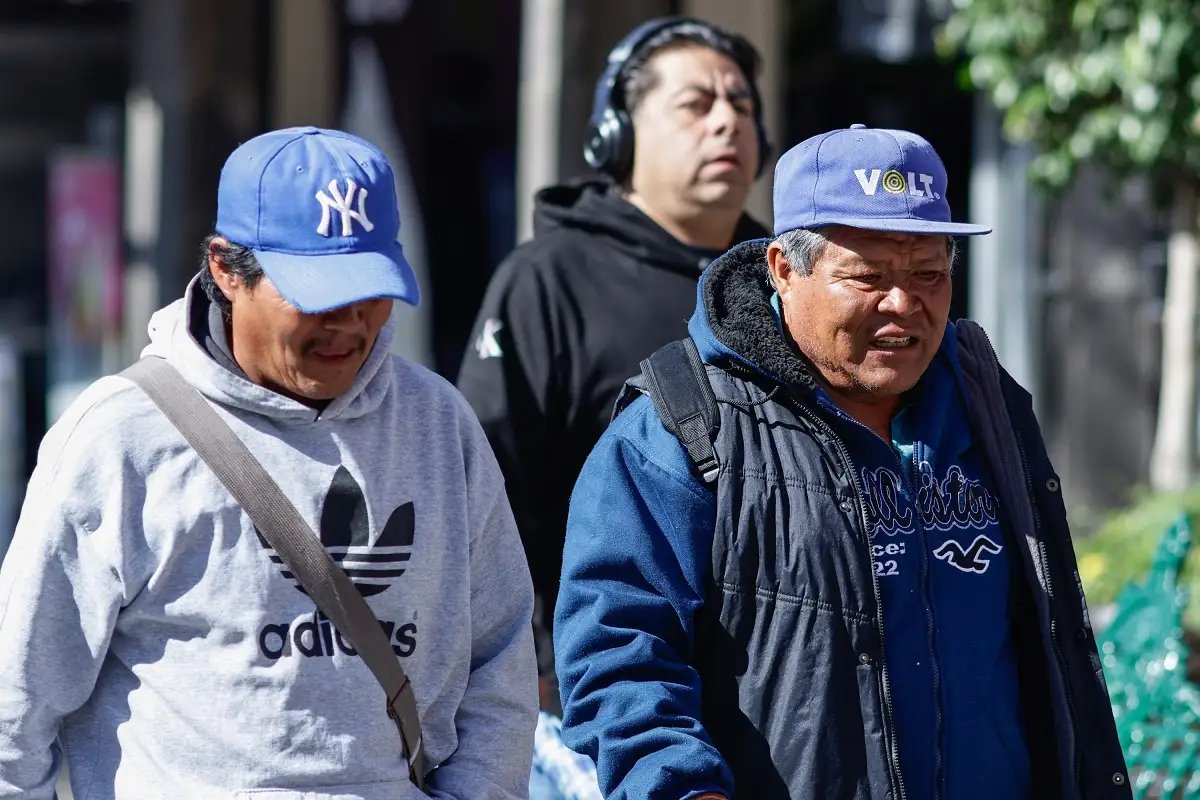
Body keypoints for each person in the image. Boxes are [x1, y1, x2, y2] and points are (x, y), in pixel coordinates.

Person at [554, 125, 1132, 799]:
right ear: (782, 269)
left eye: (929, 274)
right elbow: (618, 656)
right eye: (868, 276)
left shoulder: (986, 399)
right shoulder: (679, 427)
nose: (903, 303)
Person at [0, 127, 537, 798]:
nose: (351, 323)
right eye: (318, 295)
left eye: (370, 289)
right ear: (226, 268)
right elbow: (14, 706)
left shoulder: (438, 423)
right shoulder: (121, 437)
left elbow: (501, 659)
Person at [456, 17, 773, 710]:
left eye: (742, 105)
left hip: (768, 694)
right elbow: (483, 489)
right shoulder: (548, 277)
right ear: (618, 136)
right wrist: (529, 664)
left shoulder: (780, 281)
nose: (727, 122)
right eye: (696, 104)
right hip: (597, 688)